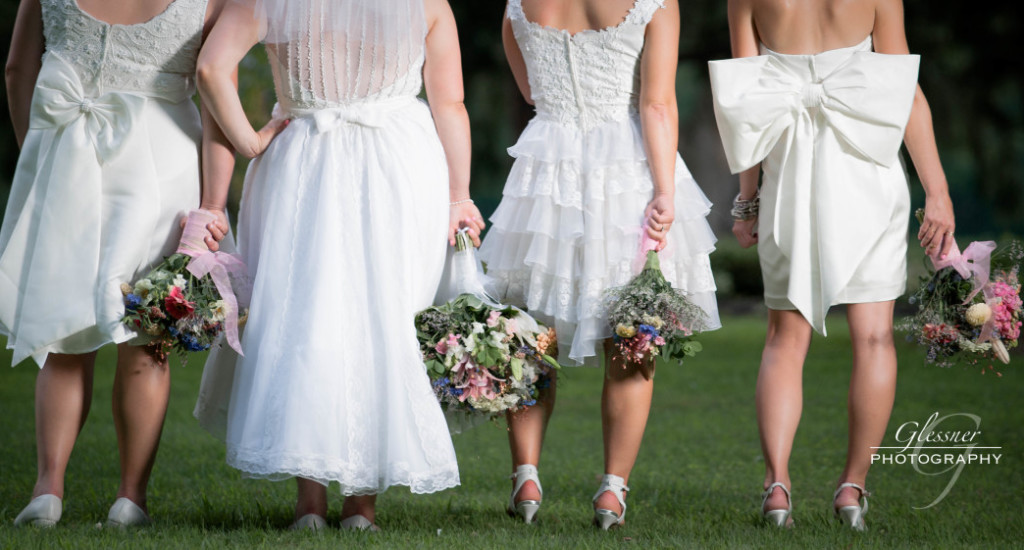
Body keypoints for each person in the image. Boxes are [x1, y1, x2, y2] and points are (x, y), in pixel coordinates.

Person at [192, 0, 483, 531]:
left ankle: (310, 504)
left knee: (306, 319)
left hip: (302, 161)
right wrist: (459, 195)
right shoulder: (428, 4)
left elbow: (211, 69)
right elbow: (451, 103)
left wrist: (249, 140)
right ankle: (361, 507)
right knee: (385, 321)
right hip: (400, 164)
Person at [709, 0, 956, 530]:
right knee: (874, 339)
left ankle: (777, 488)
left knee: (783, 338)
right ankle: (852, 488)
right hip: (867, 169)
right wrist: (936, 191)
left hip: (789, 176)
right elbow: (905, 92)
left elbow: (747, 106)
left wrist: (747, 201)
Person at [478, 0, 720, 529]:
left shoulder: (517, 6)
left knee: (531, 334)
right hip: (626, 172)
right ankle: (611, 491)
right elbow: (656, 105)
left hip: (547, 173)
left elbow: (532, 93)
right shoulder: (656, 4)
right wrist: (663, 192)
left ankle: (526, 477)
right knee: (632, 335)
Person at [3, 0, 239, 528]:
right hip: (165, 168)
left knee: (64, 337)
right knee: (147, 336)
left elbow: (18, 68)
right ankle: (129, 499)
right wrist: (214, 203)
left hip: (69, 155)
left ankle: (48, 489)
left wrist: (36, 154)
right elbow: (216, 89)